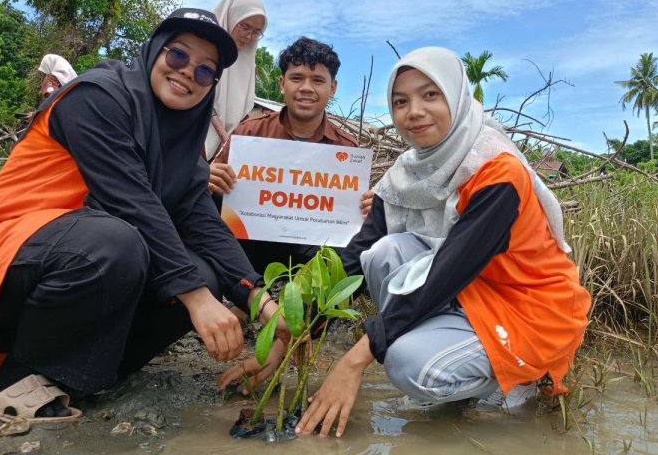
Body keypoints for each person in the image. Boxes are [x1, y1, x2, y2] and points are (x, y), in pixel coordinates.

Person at [223, 46, 592, 437]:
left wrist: (355, 360)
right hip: (471, 295)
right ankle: (458, 373)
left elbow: (447, 273)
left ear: (457, 95)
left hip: (527, 308)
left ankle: (523, 376)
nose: (414, 111)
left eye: (430, 95)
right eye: (401, 101)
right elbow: (353, 256)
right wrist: (285, 334)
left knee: (405, 364)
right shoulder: (407, 172)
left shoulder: (497, 171)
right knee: (382, 252)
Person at [0, 8, 284, 424]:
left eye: (204, 71)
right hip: (2, 250)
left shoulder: (181, 140)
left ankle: (83, 377)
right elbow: (131, 202)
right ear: (155, 51)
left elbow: (202, 222)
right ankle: (14, 379)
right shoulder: (99, 97)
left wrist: (263, 303)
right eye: (178, 56)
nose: (186, 73)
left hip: (79, 250)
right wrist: (197, 299)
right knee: (120, 243)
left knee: (204, 270)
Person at [209, 36, 358, 274]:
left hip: (311, 256)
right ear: (281, 83)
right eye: (296, 78)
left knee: (359, 243)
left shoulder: (347, 149)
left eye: (318, 80)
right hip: (249, 248)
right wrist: (209, 179)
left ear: (332, 88)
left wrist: (366, 207)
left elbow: (349, 218)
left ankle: (309, 305)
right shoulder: (249, 132)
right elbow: (208, 188)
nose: (306, 88)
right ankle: (245, 293)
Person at [204, 0, 267, 161]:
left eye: (256, 32)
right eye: (245, 27)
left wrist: (232, 142)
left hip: (225, 151)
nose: (249, 36)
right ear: (230, 18)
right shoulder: (203, 49)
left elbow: (244, 109)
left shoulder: (249, 66)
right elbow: (203, 97)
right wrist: (223, 135)